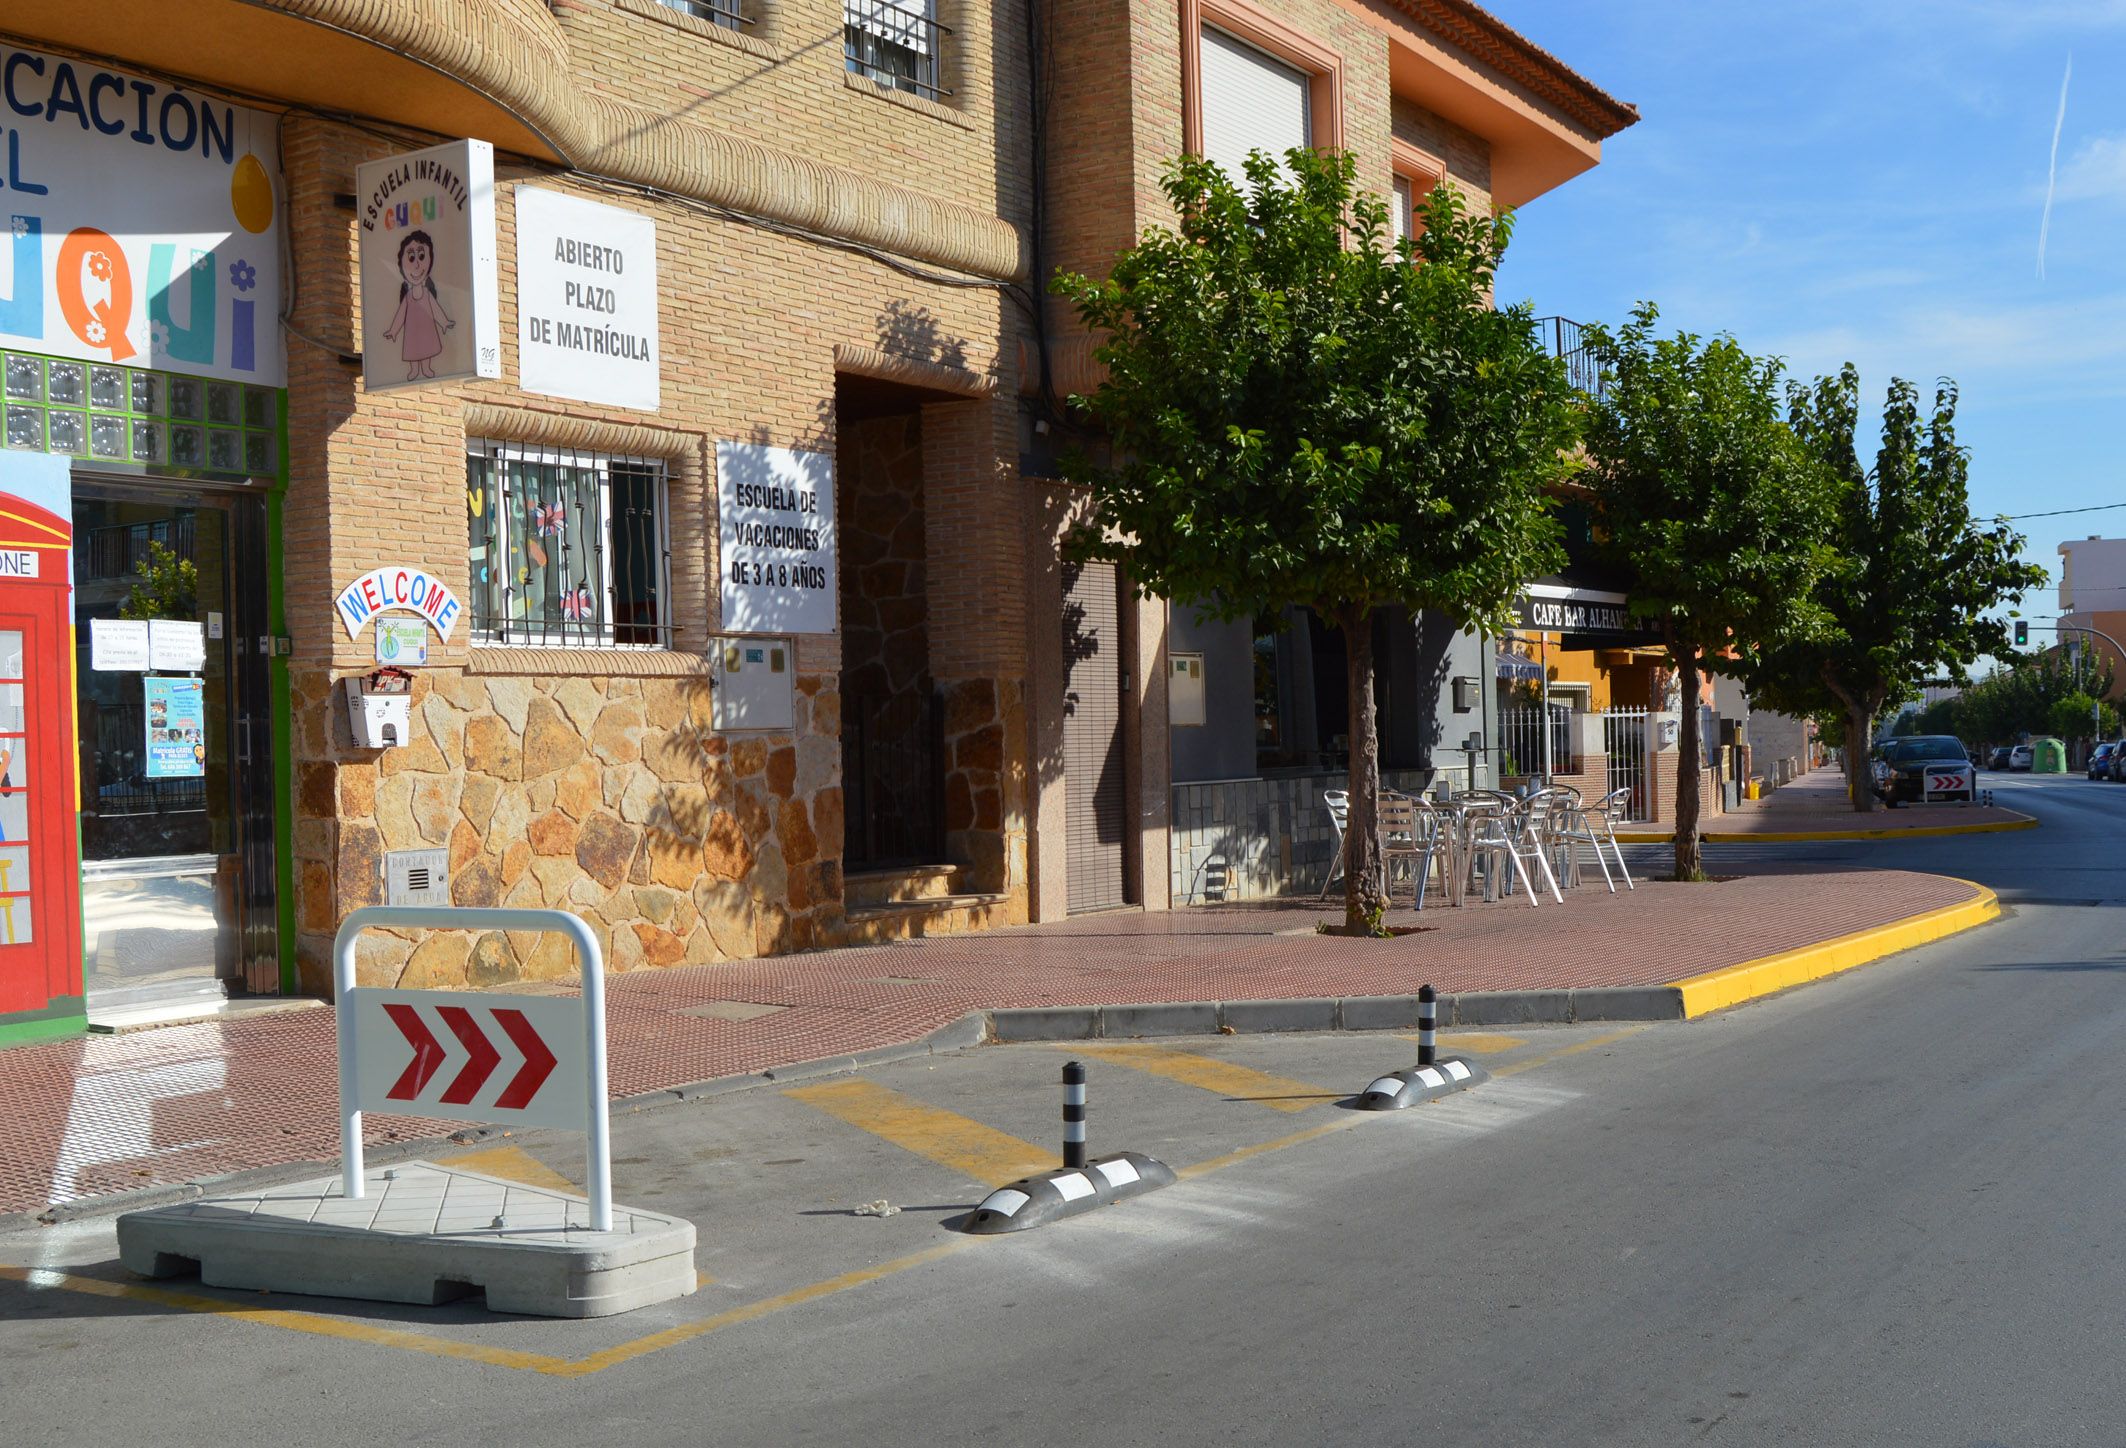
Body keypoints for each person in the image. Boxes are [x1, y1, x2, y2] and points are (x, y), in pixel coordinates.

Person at [381, 229, 455, 380]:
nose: (416, 265)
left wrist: (444, 322)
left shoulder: (427, 294)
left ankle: (426, 368)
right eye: (411, 258)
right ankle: (414, 370)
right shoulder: (407, 297)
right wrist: (393, 331)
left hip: (427, 329)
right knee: (413, 350)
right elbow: (400, 315)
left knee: (427, 348)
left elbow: (436, 309)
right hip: (412, 331)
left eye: (421, 257)